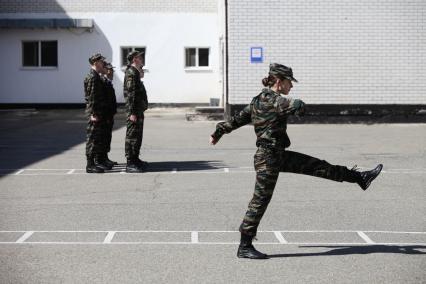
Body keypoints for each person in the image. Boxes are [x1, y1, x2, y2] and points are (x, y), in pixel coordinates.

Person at [210, 63, 383, 259]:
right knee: (260, 201)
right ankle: (245, 246)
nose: (291, 86)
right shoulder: (275, 101)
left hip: (277, 155)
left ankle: (359, 177)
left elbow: (235, 120)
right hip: (268, 159)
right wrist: (299, 105)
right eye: (289, 82)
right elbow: (296, 105)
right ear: (279, 81)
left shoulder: (256, 101)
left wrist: (218, 132)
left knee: (318, 166)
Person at [84, 53, 111, 173]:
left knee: (97, 138)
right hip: (95, 113)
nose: (102, 64)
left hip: (99, 112)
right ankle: (90, 165)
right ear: (95, 62)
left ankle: (95, 162)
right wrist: (93, 113)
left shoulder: (96, 76)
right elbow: (91, 97)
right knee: (92, 139)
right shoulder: (92, 77)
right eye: (101, 62)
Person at [123, 51, 148, 173]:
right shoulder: (131, 73)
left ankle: (135, 159)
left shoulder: (135, 72)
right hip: (134, 111)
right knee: (132, 136)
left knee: (137, 137)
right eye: (139, 57)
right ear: (134, 59)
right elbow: (131, 94)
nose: (142, 59)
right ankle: (130, 163)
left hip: (138, 110)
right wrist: (132, 112)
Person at [101, 62, 118, 168]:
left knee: (107, 137)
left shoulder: (108, 82)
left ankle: (105, 158)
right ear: (105, 70)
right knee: (103, 138)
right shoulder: (103, 82)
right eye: (109, 70)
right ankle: (102, 159)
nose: (111, 72)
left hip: (109, 115)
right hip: (105, 115)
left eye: (112, 70)